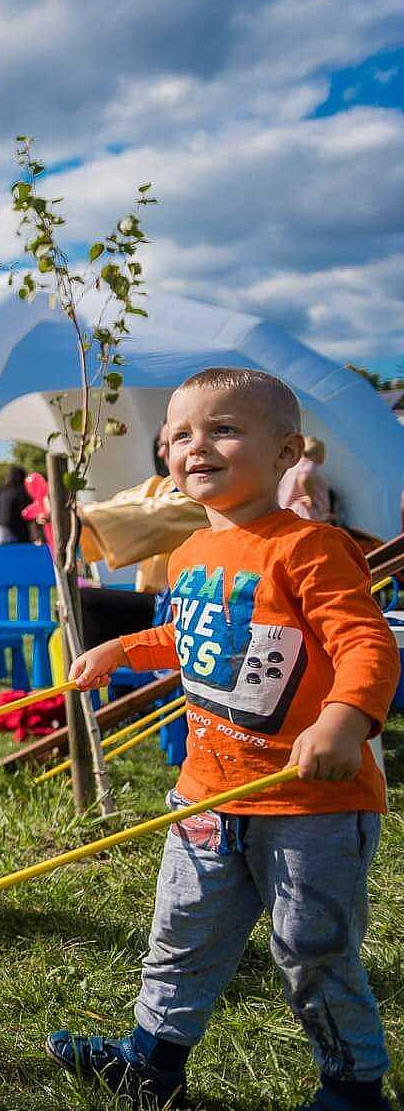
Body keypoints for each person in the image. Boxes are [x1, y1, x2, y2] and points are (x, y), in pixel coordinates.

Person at [51, 368, 396, 1111]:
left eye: (224, 429)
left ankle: (353, 1085)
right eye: (178, 434)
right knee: (181, 935)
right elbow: (191, 634)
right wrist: (125, 650)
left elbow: (369, 646)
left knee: (312, 949)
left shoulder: (310, 547)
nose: (195, 445)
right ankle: (149, 1061)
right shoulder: (190, 554)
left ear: (286, 452)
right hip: (208, 795)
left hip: (312, 808)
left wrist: (345, 719)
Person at [278, 436, 333, 524]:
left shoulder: (293, 466)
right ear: (318, 454)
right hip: (303, 510)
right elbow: (303, 479)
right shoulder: (309, 463)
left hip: (288, 509)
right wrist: (309, 496)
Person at [0, 465, 34, 546]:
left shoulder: (2, 492)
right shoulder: (21, 492)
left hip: (0, 531)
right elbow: (27, 513)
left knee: (3, 556)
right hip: (16, 533)